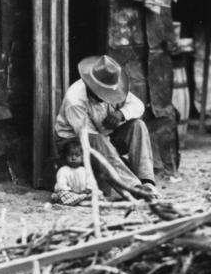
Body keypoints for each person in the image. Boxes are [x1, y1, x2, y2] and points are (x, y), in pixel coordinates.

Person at [54, 54, 158, 200]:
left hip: (104, 137)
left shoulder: (115, 88)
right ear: (91, 85)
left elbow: (138, 106)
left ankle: (147, 182)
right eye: (102, 93)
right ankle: (133, 188)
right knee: (97, 140)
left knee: (138, 126)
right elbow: (87, 137)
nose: (106, 97)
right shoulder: (75, 99)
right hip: (73, 142)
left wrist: (121, 113)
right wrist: (110, 146)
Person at [50, 140, 96, 207]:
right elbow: (61, 185)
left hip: (82, 193)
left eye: (77, 155)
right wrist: (71, 191)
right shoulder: (63, 170)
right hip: (69, 193)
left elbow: (90, 183)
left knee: (96, 193)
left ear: (82, 158)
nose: (73, 158)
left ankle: (78, 200)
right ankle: (80, 201)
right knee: (61, 194)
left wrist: (88, 189)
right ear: (65, 157)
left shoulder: (85, 170)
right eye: (70, 155)